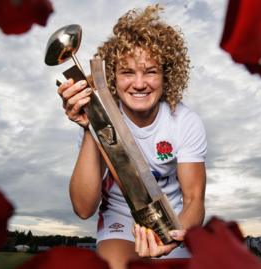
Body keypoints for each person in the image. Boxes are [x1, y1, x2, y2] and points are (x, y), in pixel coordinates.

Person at [57, 5, 207, 269]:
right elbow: (83, 208)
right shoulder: (102, 116)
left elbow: (194, 199)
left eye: (150, 71)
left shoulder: (185, 120)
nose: (139, 84)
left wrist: (173, 237)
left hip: (172, 217)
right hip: (119, 215)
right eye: (127, 72)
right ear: (113, 76)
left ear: (166, 75)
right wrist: (89, 125)